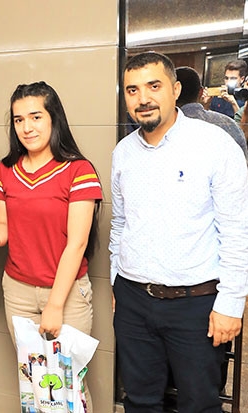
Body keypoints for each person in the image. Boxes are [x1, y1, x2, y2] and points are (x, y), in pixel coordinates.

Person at [110, 51, 248, 412]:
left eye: (153, 86)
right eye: (132, 90)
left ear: (175, 90)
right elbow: (120, 223)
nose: (143, 98)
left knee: (199, 404)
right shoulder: (123, 153)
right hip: (133, 301)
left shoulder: (215, 144)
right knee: (138, 401)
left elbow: (237, 230)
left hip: (196, 305)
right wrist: (115, 282)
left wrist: (231, 304)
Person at [0, 81, 102, 411]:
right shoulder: (7, 169)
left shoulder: (78, 170)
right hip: (17, 292)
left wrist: (55, 305)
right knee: (35, 383)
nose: (26, 127)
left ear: (54, 118)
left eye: (35, 117)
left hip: (67, 295)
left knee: (69, 385)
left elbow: (77, 244)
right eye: (18, 120)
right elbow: (3, 227)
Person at [175, 66, 248, 159]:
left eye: (233, 78)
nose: (228, 82)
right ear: (201, 92)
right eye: (226, 78)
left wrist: (234, 103)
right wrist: (205, 104)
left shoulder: (243, 101)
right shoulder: (227, 122)